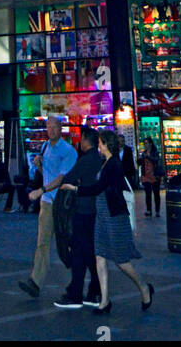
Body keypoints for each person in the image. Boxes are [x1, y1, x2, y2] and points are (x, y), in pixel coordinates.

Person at [83, 130, 154, 322]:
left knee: (121, 260)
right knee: (99, 256)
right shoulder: (106, 162)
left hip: (114, 215)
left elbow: (99, 187)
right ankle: (105, 300)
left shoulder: (113, 164)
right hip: (102, 215)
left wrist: (77, 189)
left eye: (100, 143)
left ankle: (143, 287)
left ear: (106, 144)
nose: (98, 146)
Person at [17, 116, 77, 298]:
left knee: (66, 244)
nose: (50, 130)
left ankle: (78, 281)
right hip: (47, 202)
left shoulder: (68, 151)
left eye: (54, 127)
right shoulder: (45, 147)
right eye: (48, 127)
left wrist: (40, 190)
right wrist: (39, 166)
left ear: (60, 128)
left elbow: (61, 178)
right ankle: (35, 281)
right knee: (42, 242)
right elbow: (48, 175)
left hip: (63, 203)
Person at [52, 125, 103, 309]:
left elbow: (68, 178)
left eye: (81, 139)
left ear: (86, 140)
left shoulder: (85, 160)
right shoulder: (98, 160)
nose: (80, 142)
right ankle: (94, 290)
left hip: (82, 211)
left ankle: (75, 293)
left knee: (79, 252)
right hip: (94, 211)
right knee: (89, 252)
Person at [138, 139, 164, 217]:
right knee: (148, 194)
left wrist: (148, 157)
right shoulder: (143, 153)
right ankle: (149, 210)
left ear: (150, 144)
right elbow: (140, 163)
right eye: (144, 143)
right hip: (146, 175)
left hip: (154, 175)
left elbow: (156, 160)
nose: (145, 145)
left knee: (156, 194)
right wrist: (139, 159)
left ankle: (157, 211)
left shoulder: (155, 152)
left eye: (146, 143)